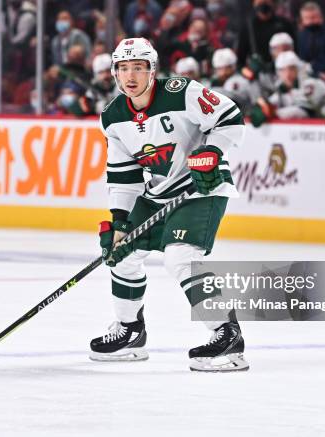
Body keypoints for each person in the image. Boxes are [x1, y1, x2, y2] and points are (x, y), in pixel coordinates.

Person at [91, 37, 249, 372]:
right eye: (123, 68)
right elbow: (123, 174)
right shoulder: (113, 116)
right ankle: (130, 332)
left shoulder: (182, 91)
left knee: (180, 256)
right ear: (115, 74)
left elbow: (231, 118)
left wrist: (212, 152)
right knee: (119, 253)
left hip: (201, 188)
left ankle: (227, 333)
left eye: (138, 67)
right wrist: (120, 221)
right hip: (158, 193)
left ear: (152, 70)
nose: (130, 75)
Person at [250, 51, 325, 127]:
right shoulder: (282, 89)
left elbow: (303, 112)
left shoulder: (308, 83)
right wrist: (263, 108)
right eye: (282, 70)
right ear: (278, 72)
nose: (287, 74)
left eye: (291, 69)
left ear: (298, 69)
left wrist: (274, 112)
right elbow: (270, 104)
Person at [296, 1, 325, 83]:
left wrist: (311, 67)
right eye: (307, 18)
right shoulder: (302, 36)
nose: (311, 21)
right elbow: (302, 61)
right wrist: (316, 74)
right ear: (302, 20)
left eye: (314, 17)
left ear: (321, 17)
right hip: (310, 77)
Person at [236, 0, 294, 66]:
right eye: (260, 2)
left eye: (266, 1)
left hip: (284, 68)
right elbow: (241, 57)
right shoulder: (248, 27)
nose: (263, 4)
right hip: (257, 70)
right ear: (254, 3)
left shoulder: (284, 24)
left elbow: (295, 49)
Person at [210, 48, 260, 112]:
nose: (222, 72)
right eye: (219, 69)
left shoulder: (238, 81)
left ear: (232, 67)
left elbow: (229, 104)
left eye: (225, 68)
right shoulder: (215, 81)